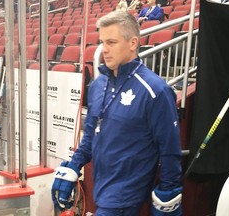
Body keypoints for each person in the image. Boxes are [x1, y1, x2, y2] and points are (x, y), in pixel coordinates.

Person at [51, 11, 182, 216]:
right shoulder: (98, 84)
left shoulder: (155, 90)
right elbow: (90, 134)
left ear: (132, 43)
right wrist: (73, 166)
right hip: (101, 189)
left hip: (126, 196)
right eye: (103, 42)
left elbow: (170, 150)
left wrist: (168, 192)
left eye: (111, 42)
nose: (105, 49)